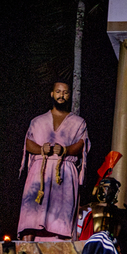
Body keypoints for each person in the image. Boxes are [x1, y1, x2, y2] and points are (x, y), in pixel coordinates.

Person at [18, 81, 90, 240]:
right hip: (40, 172)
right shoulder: (37, 121)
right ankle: (28, 247)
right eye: (58, 91)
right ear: (52, 94)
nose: (61, 95)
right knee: (32, 217)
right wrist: (41, 149)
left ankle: (60, 248)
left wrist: (66, 150)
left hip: (64, 172)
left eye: (65, 92)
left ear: (69, 95)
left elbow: (81, 144)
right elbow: (28, 143)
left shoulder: (78, 122)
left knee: (61, 218)